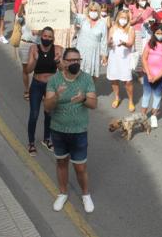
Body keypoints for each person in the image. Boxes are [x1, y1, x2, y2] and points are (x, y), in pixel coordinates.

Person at [44, 47, 97, 214]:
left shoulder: (87, 79)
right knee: (61, 163)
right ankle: (63, 193)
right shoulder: (54, 80)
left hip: (79, 131)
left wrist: (83, 99)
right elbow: (47, 108)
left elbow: (93, 104)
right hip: (58, 130)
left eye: (77, 60)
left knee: (80, 167)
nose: (75, 63)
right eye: (71, 60)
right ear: (64, 62)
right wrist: (57, 96)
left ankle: (86, 194)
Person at [26, 27, 62, 156]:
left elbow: (63, 69)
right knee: (34, 114)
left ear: (53, 38)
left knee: (49, 114)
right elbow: (28, 70)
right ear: (41, 36)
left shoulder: (58, 49)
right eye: (45, 36)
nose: (47, 39)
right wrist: (35, 59)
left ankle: (47, 139)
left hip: (51, 86)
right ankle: (31, 142)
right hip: (37, 85)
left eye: (50, 37)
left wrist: (58, 61)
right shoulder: (34, 49)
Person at [141, 23, 162, 128]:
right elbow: (144, 58)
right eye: (157, 33)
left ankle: (153, 116)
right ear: (154, 33)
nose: (159, 35)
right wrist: (148, 74)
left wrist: (157, 77)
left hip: (161, 76)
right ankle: (142, 116)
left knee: (157, 96)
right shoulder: (150, 43)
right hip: (148, 74)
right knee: (146, 95)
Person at [107, 10, 135, 110]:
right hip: (114, 57)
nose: (123, 20)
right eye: (122, 17)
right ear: (118, 17)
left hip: (125, 58)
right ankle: (117, 97)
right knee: (114, 79)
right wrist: (109, 42)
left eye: (125, 18)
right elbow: (108, 42)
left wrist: (124, 43)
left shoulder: (131, 29)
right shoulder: (113, 28)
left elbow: (131, 43)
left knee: (128, 81)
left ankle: (131, 100)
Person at [75, 2, 108, 79]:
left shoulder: (102, 23)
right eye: (91, 10)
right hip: (81, 51)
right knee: (78, 74)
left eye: (95, 10)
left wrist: (104, 55)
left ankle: (90, 90)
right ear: (88, 10)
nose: (93, 12)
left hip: (94, 52)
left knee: (92, 77)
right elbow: (72, 16)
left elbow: (104, 40)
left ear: (98, 11)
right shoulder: (82, 19)